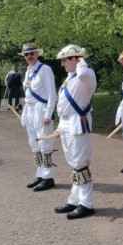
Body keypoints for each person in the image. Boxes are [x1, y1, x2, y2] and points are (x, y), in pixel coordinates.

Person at [53, 45, 97, 220]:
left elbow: (84, 75)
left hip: (77, 123)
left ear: (75, 59)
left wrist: (81, 61)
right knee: (74, 164)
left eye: (64, 60)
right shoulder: (69, 78)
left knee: (81, 163)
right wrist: (60, 125)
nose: (62, 64)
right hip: (67, 123)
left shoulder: (86, 74)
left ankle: (87, 204)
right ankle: (74, 199)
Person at [19, 43, 58, 191]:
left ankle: (48, 177)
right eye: (26, 55)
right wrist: (24, 116)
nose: (29, 57)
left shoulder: (45, 69)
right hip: (30, 110)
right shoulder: (28, 71)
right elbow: (27, 97)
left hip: (41, 110)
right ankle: (40, 174)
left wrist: (48, 113)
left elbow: (51, 94)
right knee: (34, 144)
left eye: (32, 54)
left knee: (45, 143)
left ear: (37, 54)